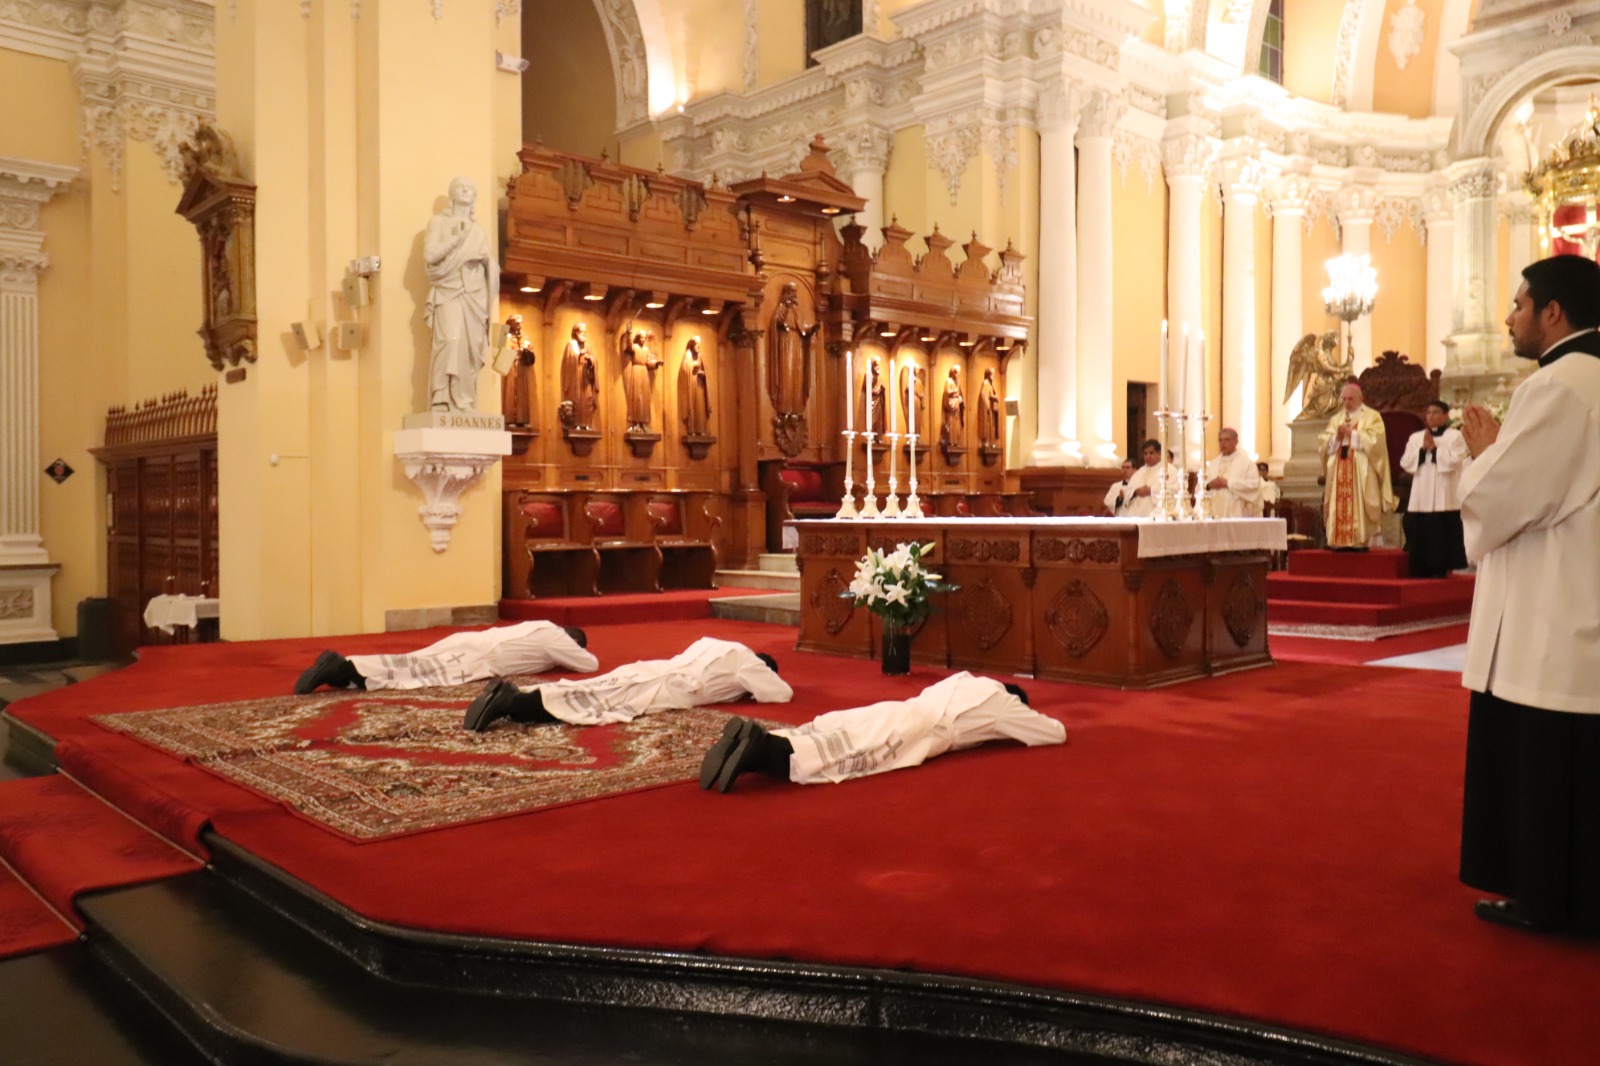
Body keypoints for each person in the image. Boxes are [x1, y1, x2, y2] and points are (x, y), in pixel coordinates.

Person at [1457, 254, 1600, 934]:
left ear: (1553, 311)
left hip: (1551, 611)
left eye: (1519, 304)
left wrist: (1485, 452)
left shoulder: (1560, 386)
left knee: (1548, 764)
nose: (1509, 318)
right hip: (1578, 597)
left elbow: (1504, 498)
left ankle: (1550, 903)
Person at [698, 672, 1065, 793]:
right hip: (918, 732)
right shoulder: (1003, 704)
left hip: (895, 709)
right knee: (847, 757)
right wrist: (1014, 720)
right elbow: (1054, 733)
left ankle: (753, 743)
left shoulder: (966, 679)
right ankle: (758, 751)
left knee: (835, 733)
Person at [463, 636, 791, 731]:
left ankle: (515, 694)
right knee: (593, 706)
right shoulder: (747, 661)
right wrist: (750, 686)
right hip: (667, 689)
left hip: (649, 668)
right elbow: (779, 694)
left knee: (587, 689)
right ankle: (512, 703)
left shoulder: (716, 642)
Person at [294, 621, 596, 694]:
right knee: (414, 674)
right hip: (479, 657)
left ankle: (340, 674)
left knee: (409, 664)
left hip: (471, 641)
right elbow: (588, 664)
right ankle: (342, 667)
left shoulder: (540, 625)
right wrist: (568, 655)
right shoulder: (556, 637)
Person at [423, 177, 497, 412]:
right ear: (451, 194)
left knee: (472, 347)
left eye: (470, 187)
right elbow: (430, 255)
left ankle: (464, 399)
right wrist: (456, 239)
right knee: (450, 340)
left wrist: (487, 261)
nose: (466, 189)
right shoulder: (439, 223)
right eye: (460, 186)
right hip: (449, 289)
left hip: (475, 293)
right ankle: (441, 395)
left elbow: (490, 266)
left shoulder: (479, 231)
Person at [1318, 382, 1395, 549]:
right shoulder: (1336, 419)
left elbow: (1377, 442)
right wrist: (1336, 437)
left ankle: (1361, 539)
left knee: (1361, 503)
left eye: (1350, 399)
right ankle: (1338, 541)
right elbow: (1324, 444)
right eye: (1344, 399)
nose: (1346, 403)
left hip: (1361, 470)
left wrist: (1352, 434)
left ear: (1361, 399)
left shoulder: (1372, 416)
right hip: (1339, 470)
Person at [1398, 399, 1470, 578]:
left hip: (1443, 491)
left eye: (1436, 412)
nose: (1431, 416)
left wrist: (1435, 449)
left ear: (1445, 415)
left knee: (1440, 530)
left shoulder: (1455, 436)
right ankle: (1420, 567)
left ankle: (1441, 567)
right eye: (1429, 413)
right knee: (1421, 529)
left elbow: (1456, 460)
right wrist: (1422, 451)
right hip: (1422, 489)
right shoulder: (1416, 437)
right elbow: (1405, 461)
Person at [1203, 427, 1262, 518]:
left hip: (1238, 511)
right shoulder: (1213, 464)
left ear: (1236, 442)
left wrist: (1228, 483)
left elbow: (1254, 485)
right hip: (1214, 510)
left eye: (1227, 440)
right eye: (1220, 440)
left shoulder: (1247, 463)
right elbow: (1200, 486)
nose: (1223, 443)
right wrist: (1209, 485)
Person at [559, 322, 598, 430]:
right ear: (576, 333)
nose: (584, 334)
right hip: (575, 376)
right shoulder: (571, 344)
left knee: (588, 398)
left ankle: (587, 424)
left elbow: (594, 360)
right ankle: (576, 423)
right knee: (576, 399)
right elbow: (568, 361)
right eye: (581, 332)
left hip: (586, 376)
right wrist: (579, 355)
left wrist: (590, 360)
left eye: (585, 332)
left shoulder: (588, 346)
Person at [623, 329, 662, 432]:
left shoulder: (646, 350)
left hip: (644, 373)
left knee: (644, 398)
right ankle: (635, 422)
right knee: (636, 397)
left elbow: (649, 362)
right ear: (637, 338)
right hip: (636, 372)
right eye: (641, 337)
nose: (643, 339)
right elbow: (629, 347)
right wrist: (629, 334)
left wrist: (656, 364)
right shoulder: (635, 347)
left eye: (644, 338)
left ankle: (643, 423)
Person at [1123, 439, 1172, 518]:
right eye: (1145, 453)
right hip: (1135, 514)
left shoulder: (1169, 470)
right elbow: (1128, 491)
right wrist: (1135, 491)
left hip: (1157, 514)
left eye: (1151, 453)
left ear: (1159, 454)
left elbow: (1173, 491)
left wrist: (1151, 491)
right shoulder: (1139, 472)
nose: (1147, 456)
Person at [679, 336, 711, 436]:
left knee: (700, 407)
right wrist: (692, 365)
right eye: (697, 345)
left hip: (700, 385)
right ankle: (691, 429)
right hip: (691, 384)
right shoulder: (687, 355)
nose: (698, 347)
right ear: (692, 345)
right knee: (691, 406)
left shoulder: (700, 356)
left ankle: (701, 429)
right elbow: (684, 370)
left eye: (699, 345)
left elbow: (705, 371)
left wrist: (703, 374)